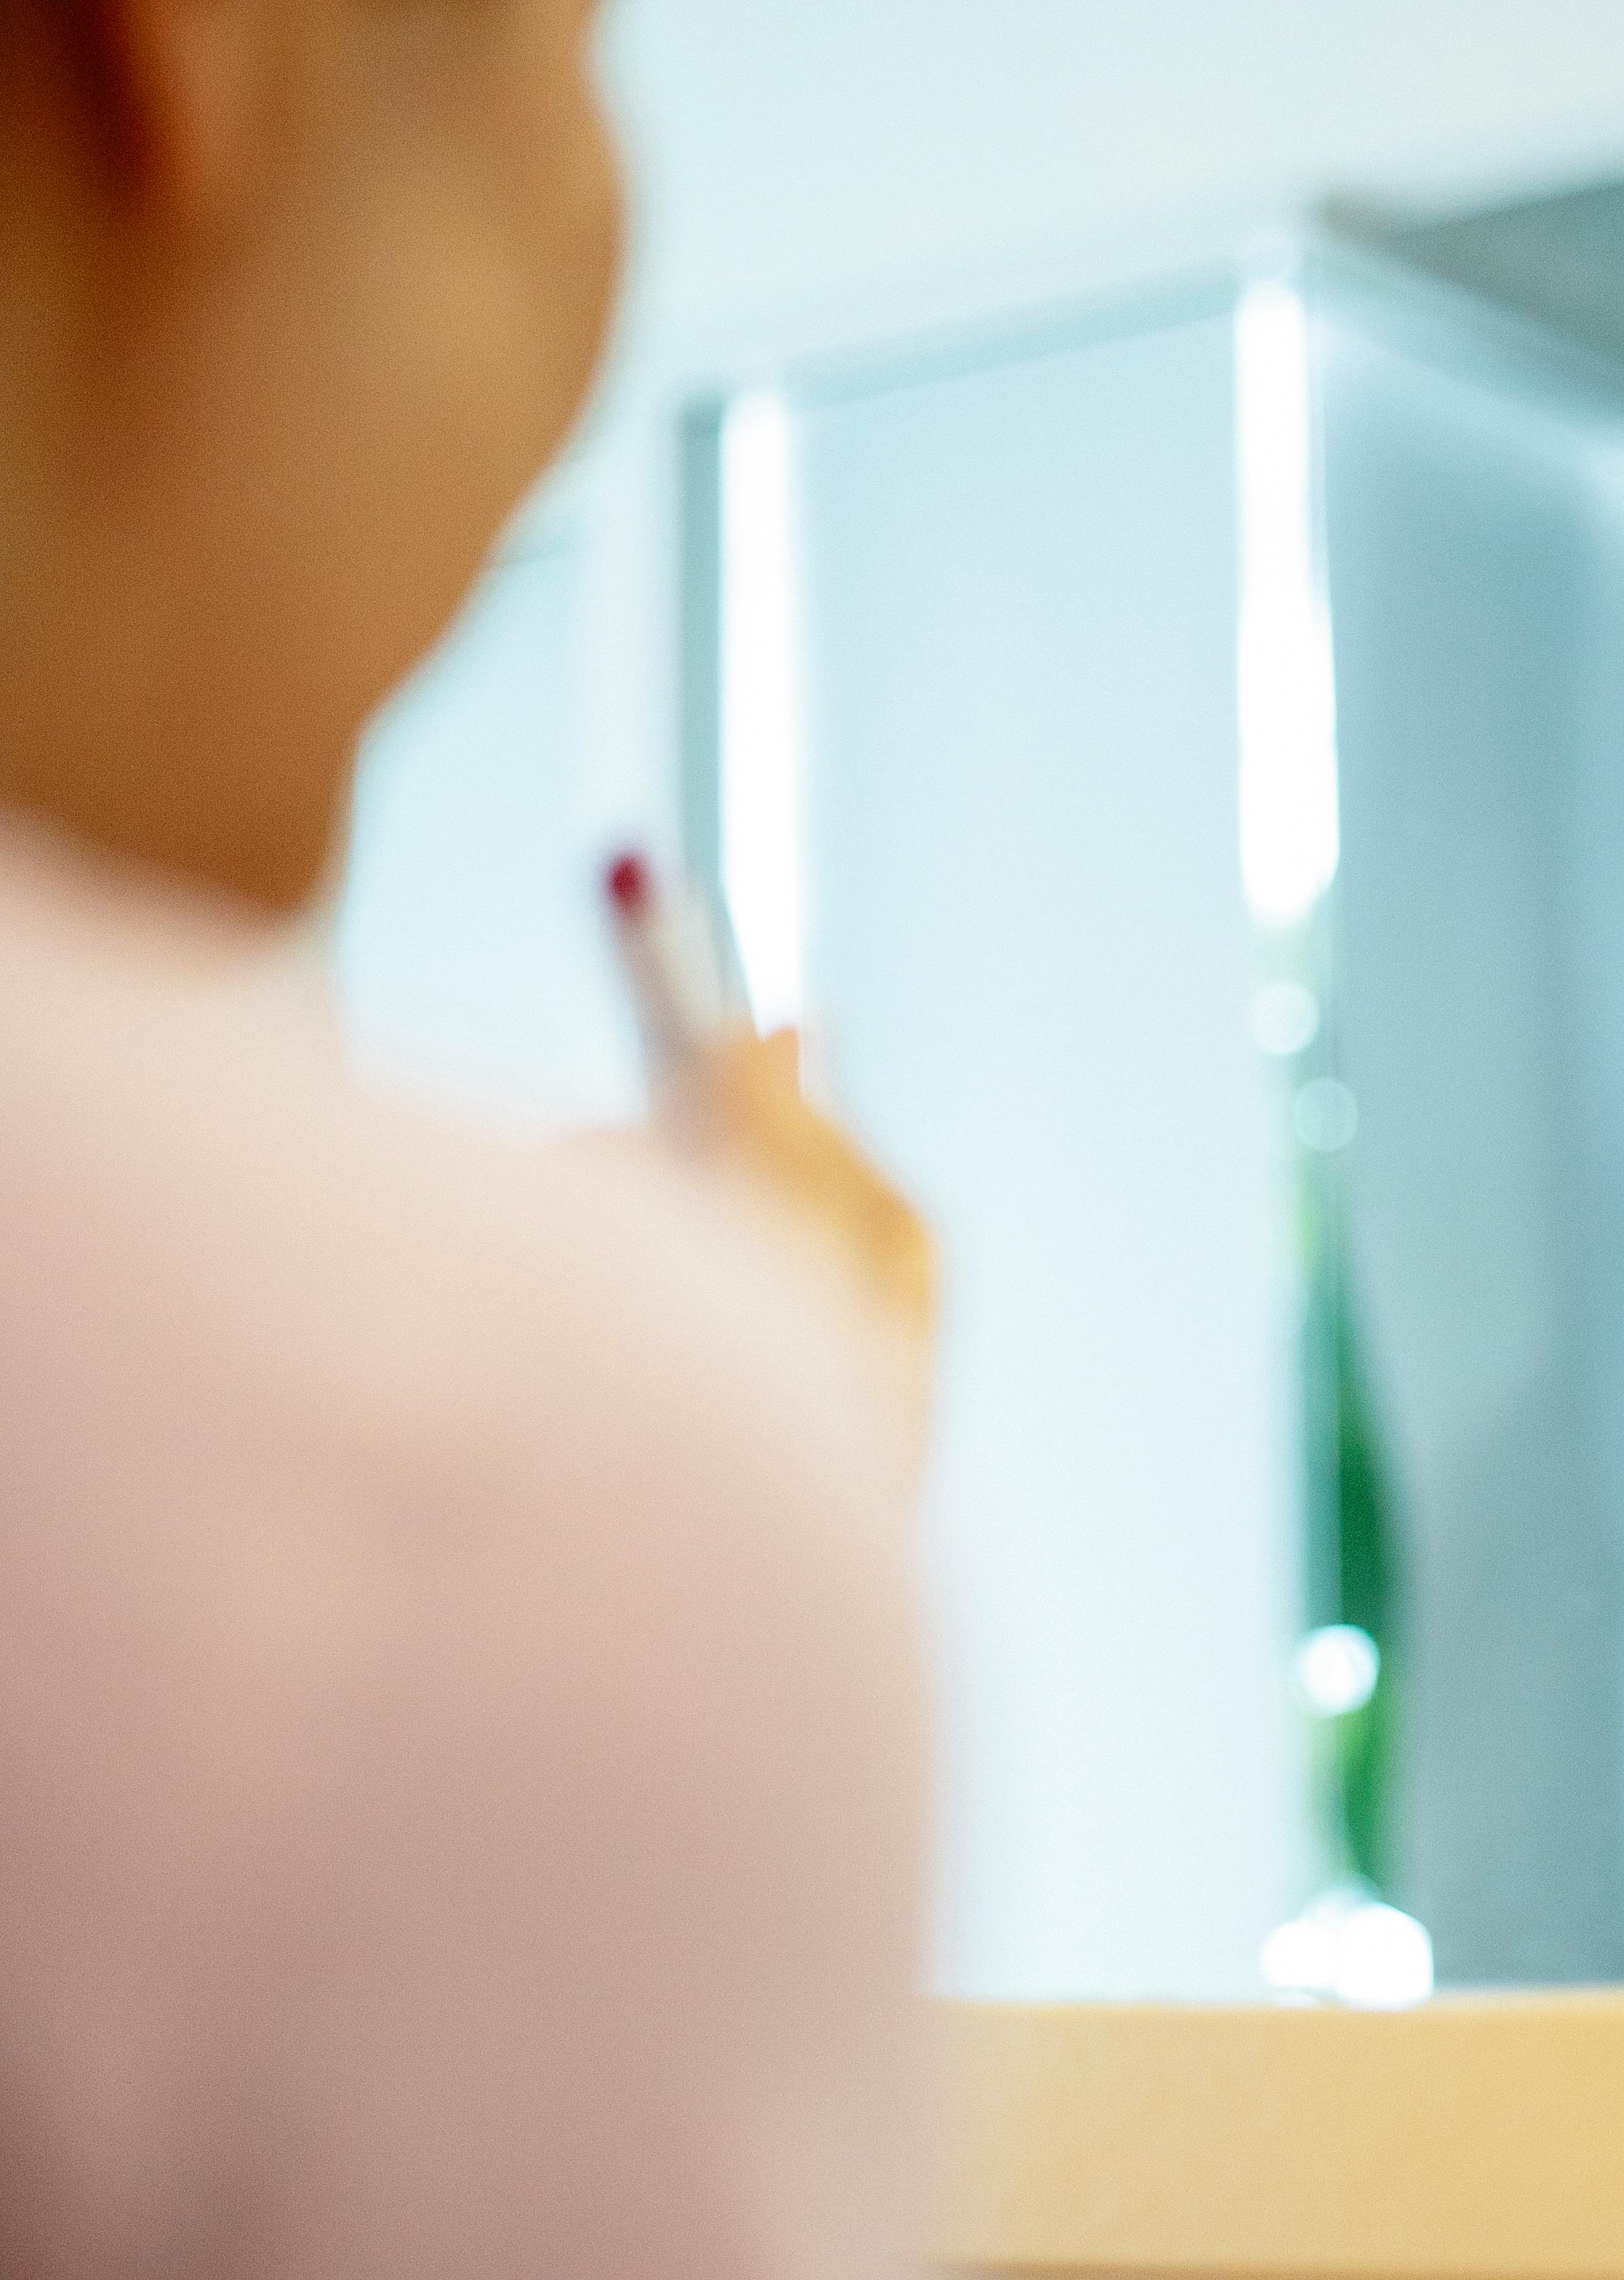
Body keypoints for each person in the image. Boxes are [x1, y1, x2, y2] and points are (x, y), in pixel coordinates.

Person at [0, 2, 937, 2272]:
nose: (596, 232)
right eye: (573, 51)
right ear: (197, 54)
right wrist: (671, 1438)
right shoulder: (502, 1472)